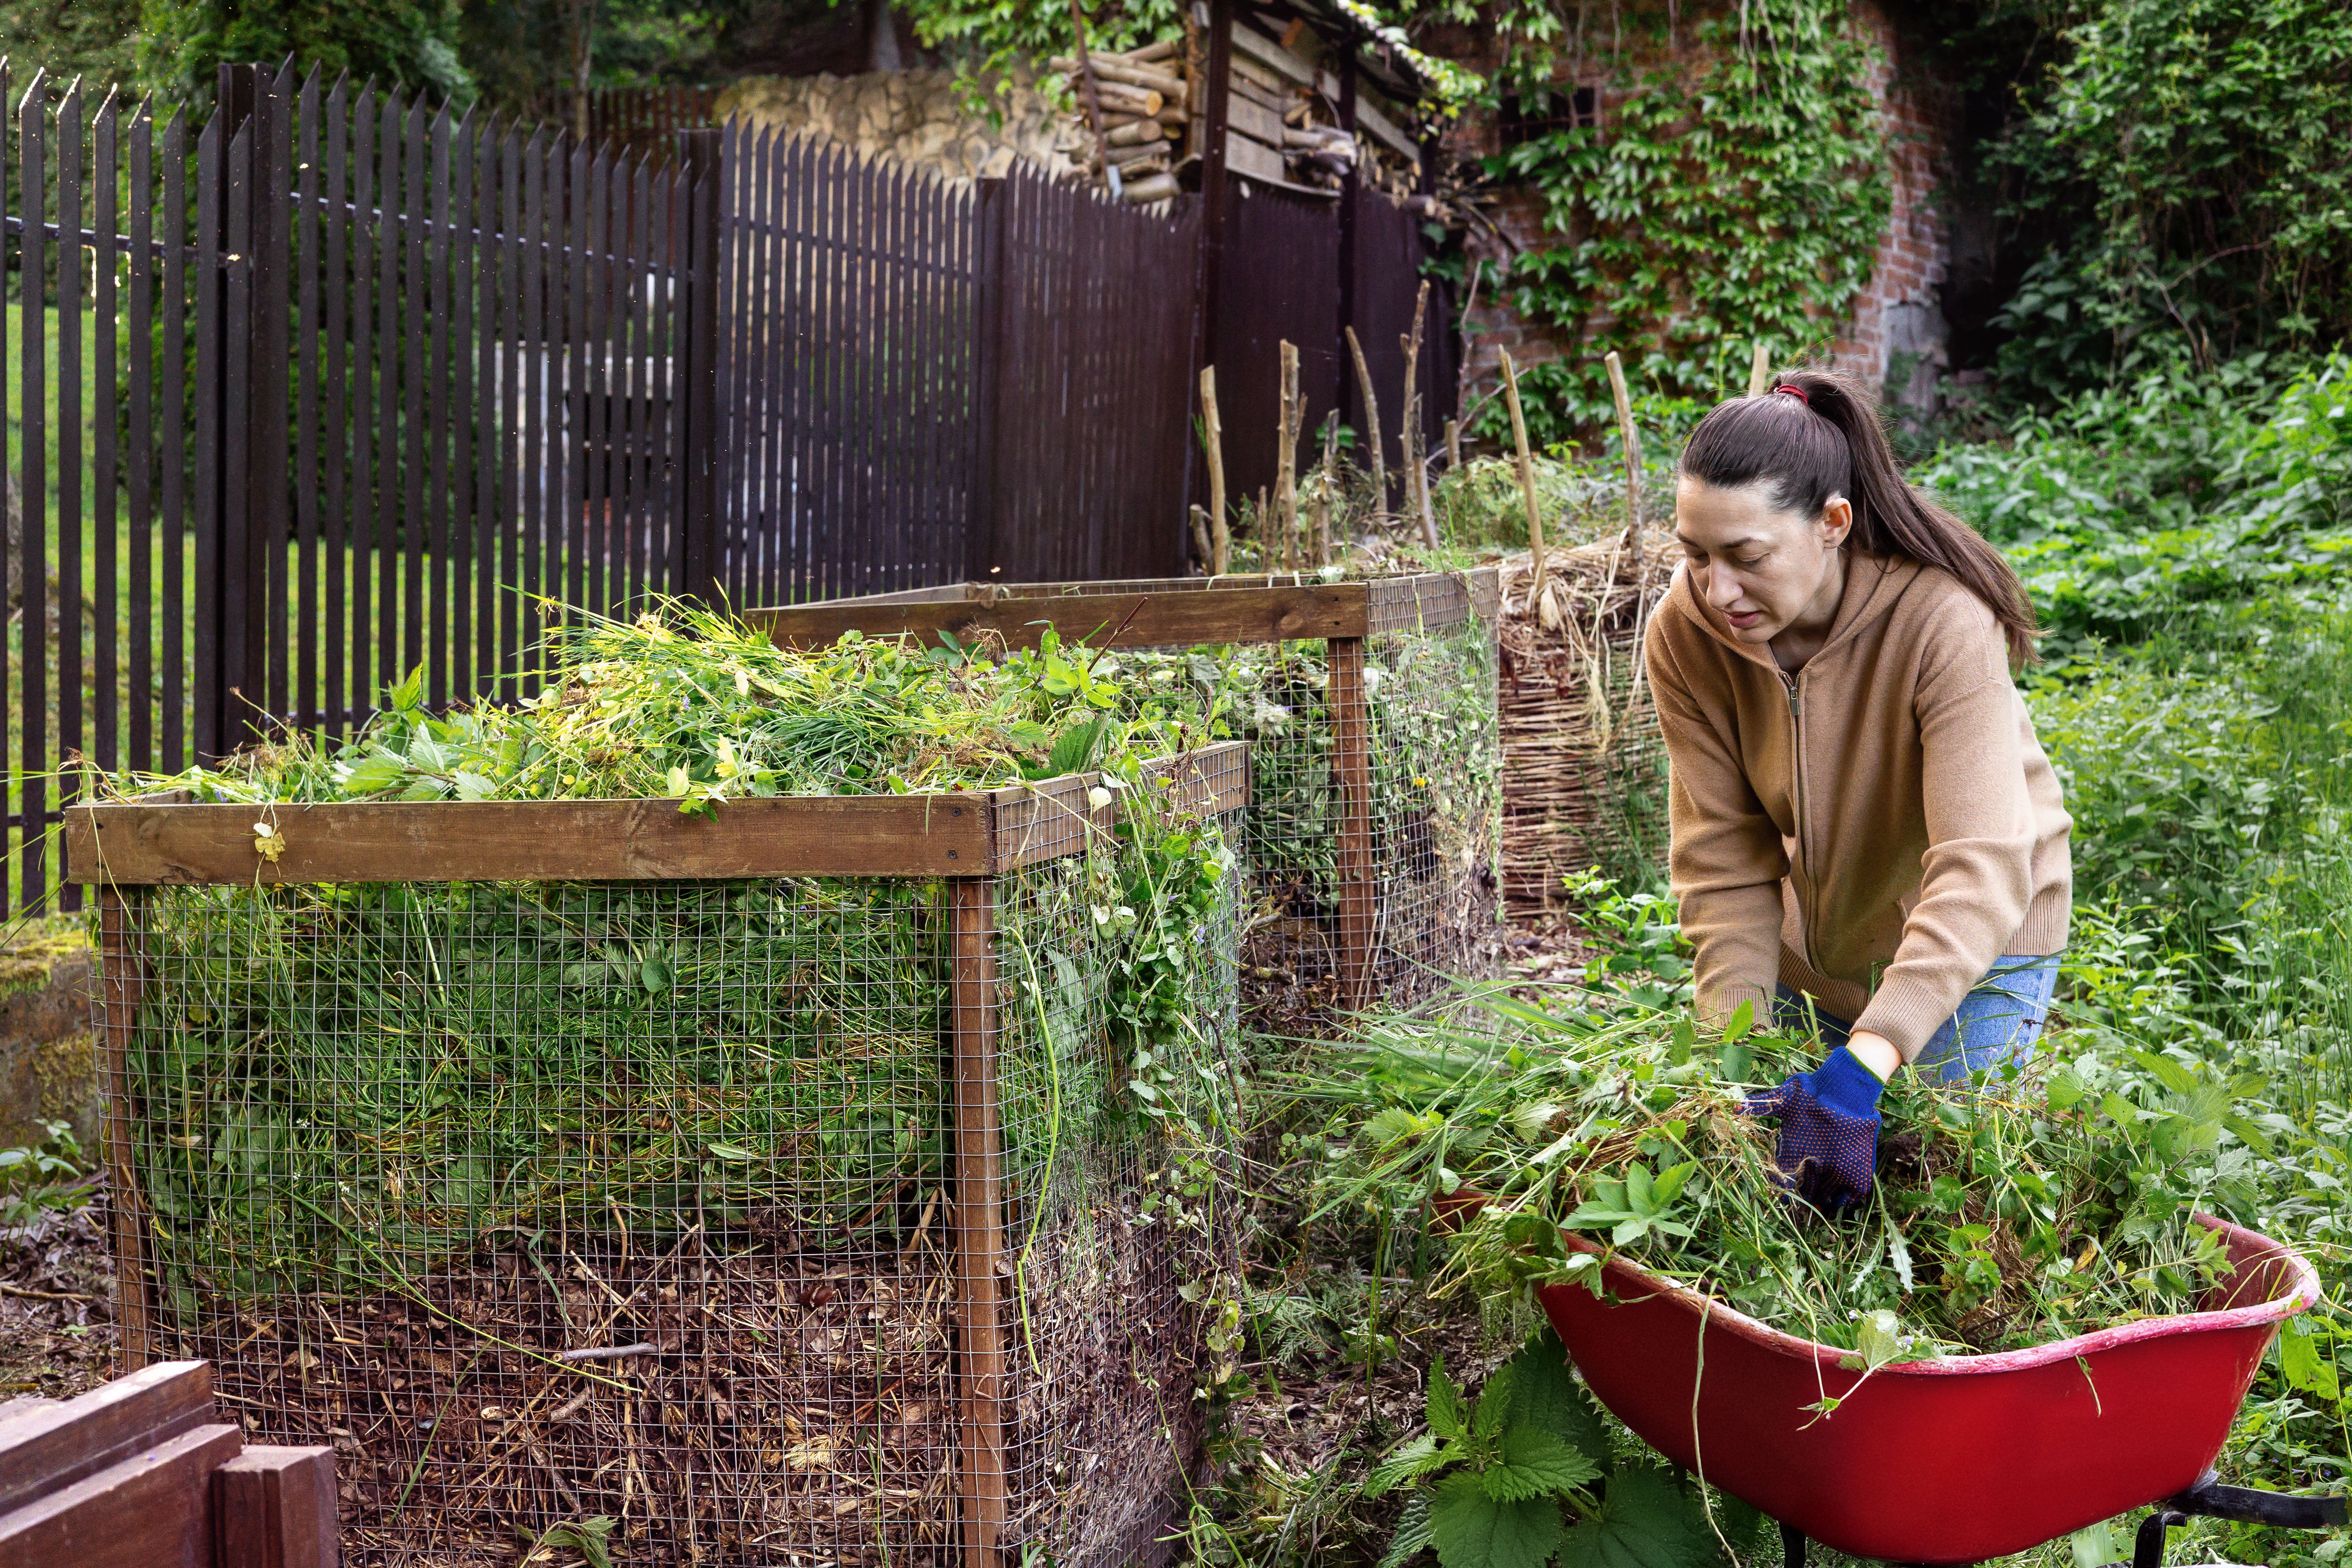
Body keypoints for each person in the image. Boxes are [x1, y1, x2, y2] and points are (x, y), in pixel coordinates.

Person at [1643, 369, 2072, 1211]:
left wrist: (1865, 1060)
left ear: (1832, 523)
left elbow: (1980, 862)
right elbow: (1722, 860)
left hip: (1982, 944)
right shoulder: (1684, 635)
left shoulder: (1938, 619)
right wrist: (1730, 1061)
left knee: (1937, 1209)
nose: (1715, 589)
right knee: (1789, 1211)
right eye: (1694, 555)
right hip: (1824, 939)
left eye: (1745, 556)